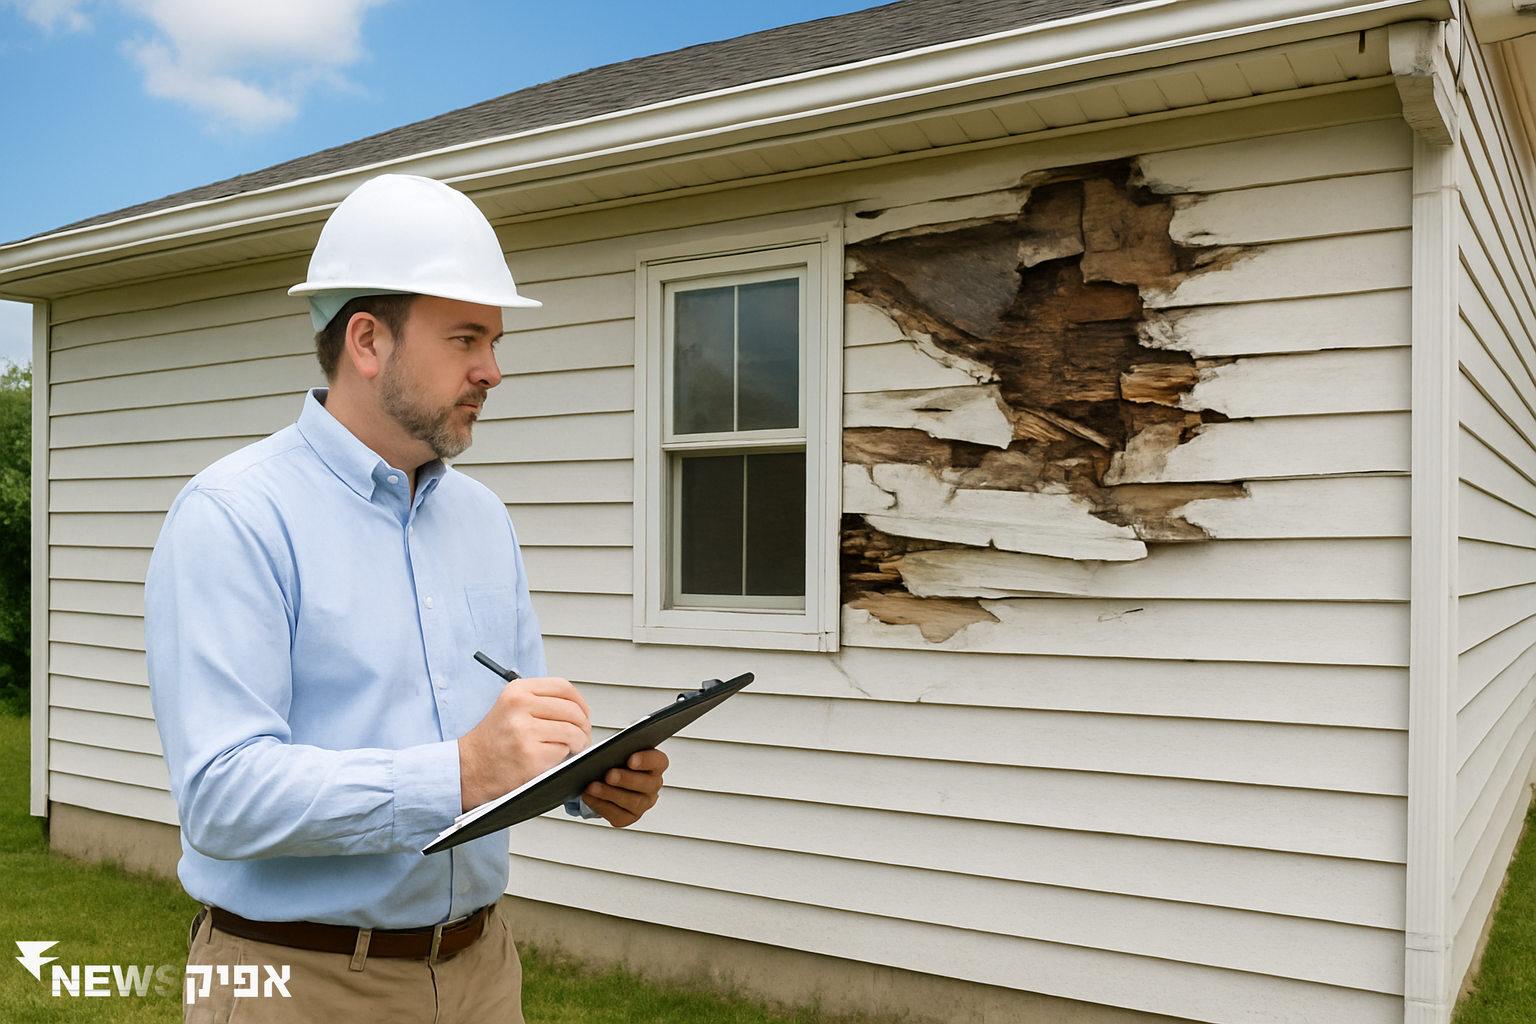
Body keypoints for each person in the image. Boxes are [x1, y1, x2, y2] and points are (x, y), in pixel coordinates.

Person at [144, 173, 668, 1024]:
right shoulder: (234, 516)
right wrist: (462, 771)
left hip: (482, 973)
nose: (492, 370)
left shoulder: (483, 519)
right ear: (367, 340)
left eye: (493, 341)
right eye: (466, 338)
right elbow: (222, 796)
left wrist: (583, 776)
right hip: (295, 984)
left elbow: (507, 736)